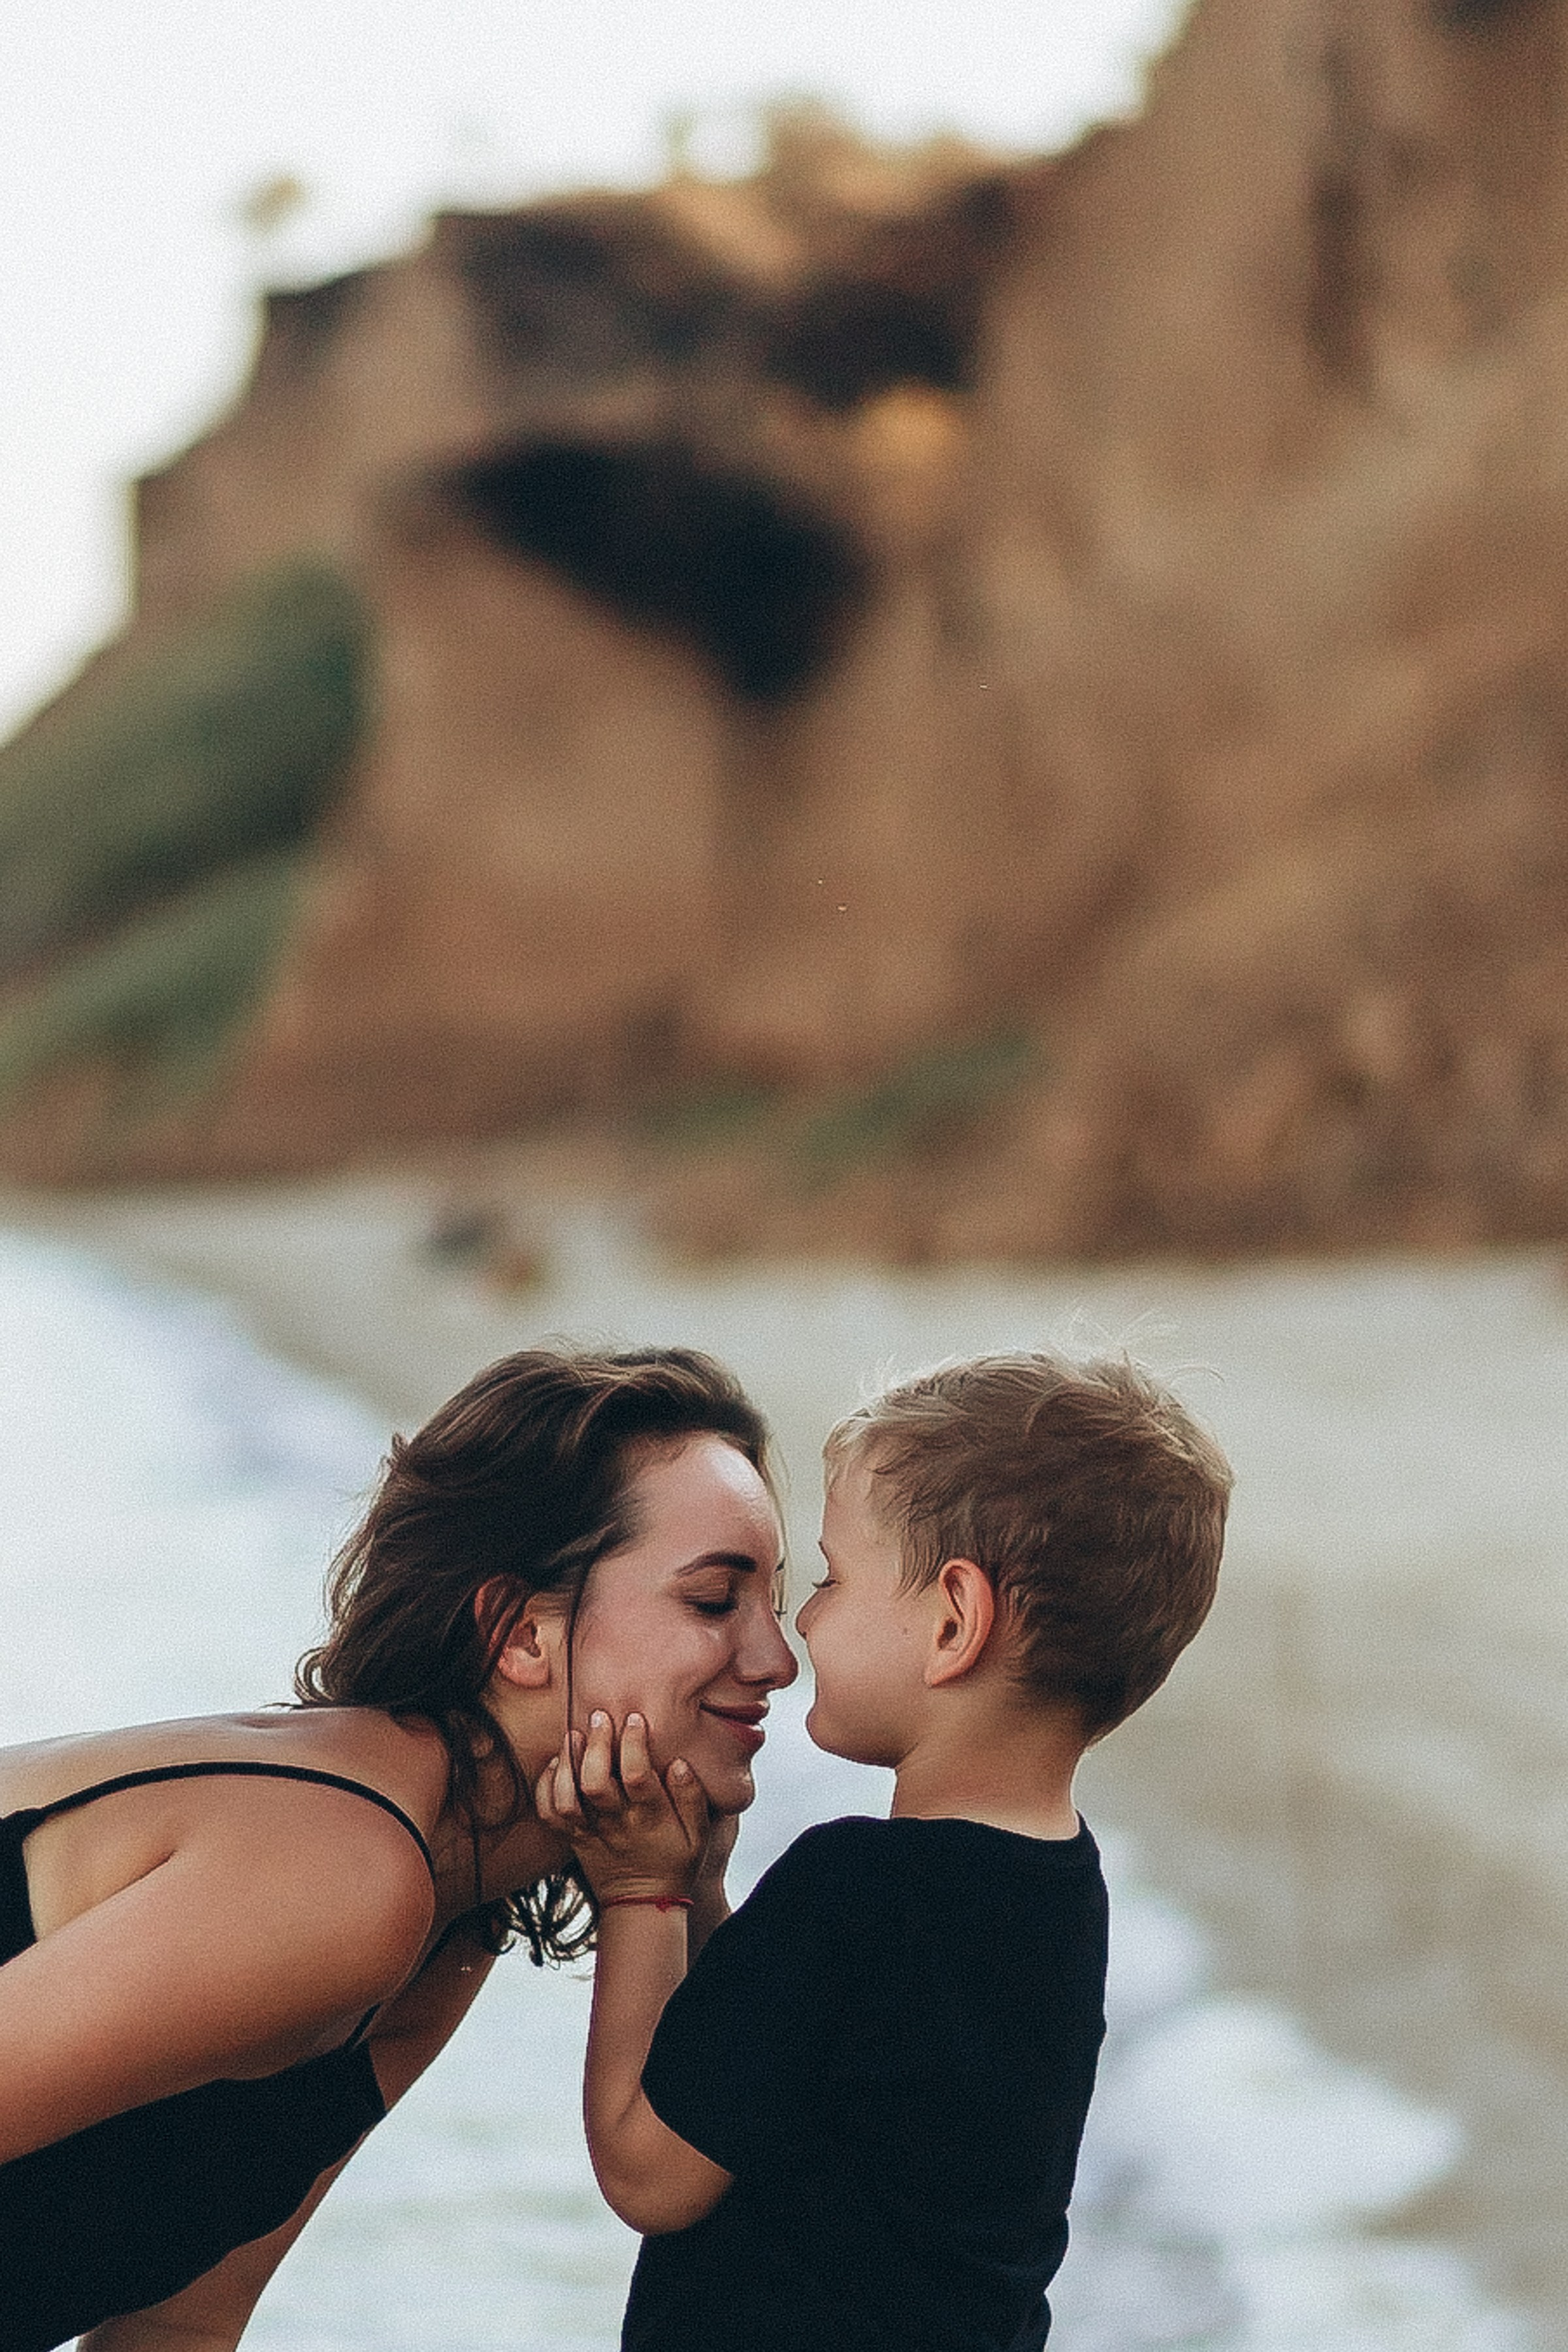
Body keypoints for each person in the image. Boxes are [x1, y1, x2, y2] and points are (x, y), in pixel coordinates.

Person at [0, 1344, 796, 2352]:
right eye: (716, 1601)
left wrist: (682, 1889)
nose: (777, 1659)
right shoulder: (350, 1872)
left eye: (780, 1598)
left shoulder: (444, 1926)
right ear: (519, 1635)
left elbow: (179, 2326)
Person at [542, 1350, 1233, 2352]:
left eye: (829, 1579)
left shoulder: (856, 1886)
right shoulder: (1062, 1889)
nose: (799, 1625)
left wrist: (639, 1892)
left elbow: (650, 2171)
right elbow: (786, 2064)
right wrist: (702, 1886)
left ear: (955, 1621)